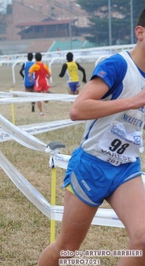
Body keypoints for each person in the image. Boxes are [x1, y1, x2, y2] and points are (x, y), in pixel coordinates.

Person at [37, 9, 145, 266]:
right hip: (91, 166)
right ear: (140, 33)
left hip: (126, 168)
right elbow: (78, 109)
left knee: (142, 239)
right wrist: (133, 101)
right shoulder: (118, 65)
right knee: (68, 249)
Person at [28, 52, 51, 116]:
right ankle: (46, 97)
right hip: (44, 82)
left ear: (35, 58)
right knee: (45, 99)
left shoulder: (35, 66)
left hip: (38, 82)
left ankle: (41, 112)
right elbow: (50, 74)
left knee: (37, 97)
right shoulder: (44, 65)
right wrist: (47, 78)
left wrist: (31, 79)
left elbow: (29, 75)